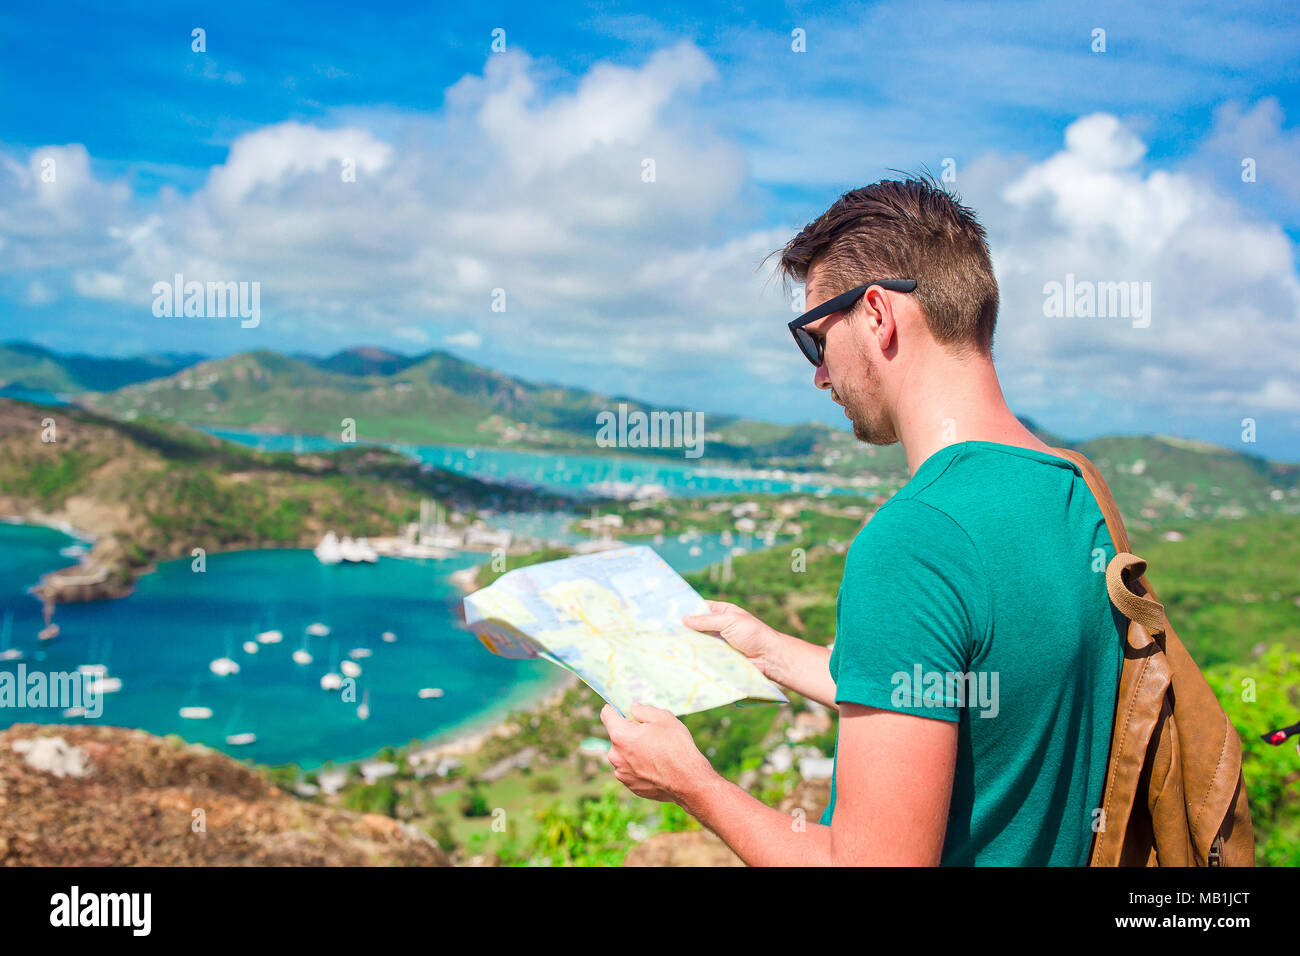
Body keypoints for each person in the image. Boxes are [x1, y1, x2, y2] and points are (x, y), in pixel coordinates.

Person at [600, 176, 1124, 865]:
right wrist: (768, 651)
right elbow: (964, 692)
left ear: (876, 314)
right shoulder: (1076, 491)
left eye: (815, 341)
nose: (819, 377)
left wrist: (692, 784)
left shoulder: (916, 540)